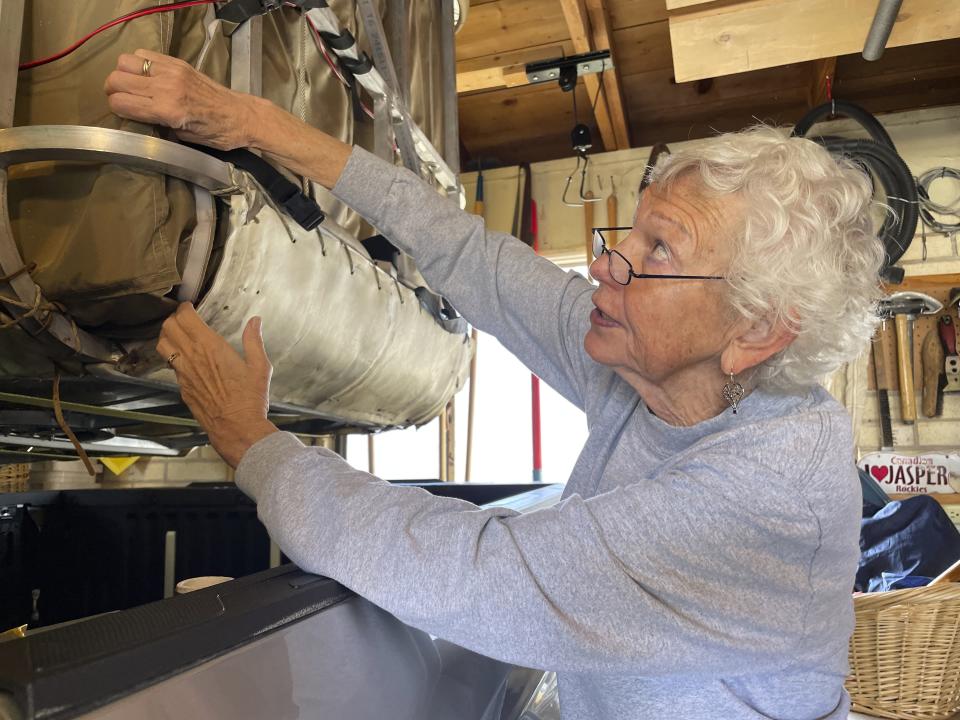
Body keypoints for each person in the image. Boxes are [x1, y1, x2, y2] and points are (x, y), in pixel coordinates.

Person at [104, 49, 885, 719]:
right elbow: (467, 254)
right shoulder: (652, 364)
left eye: (657, 250)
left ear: (756, 330)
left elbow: (477, 572)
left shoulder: (765, 497)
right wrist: (252, 123)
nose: (606, 265)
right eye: (630, 232)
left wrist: (253, 442)